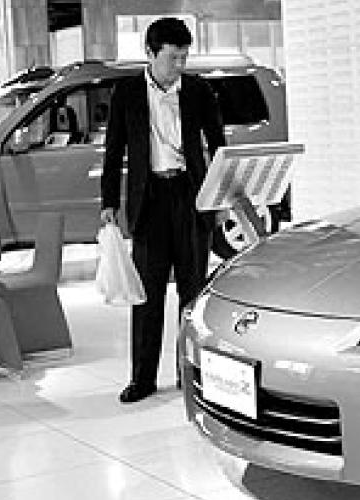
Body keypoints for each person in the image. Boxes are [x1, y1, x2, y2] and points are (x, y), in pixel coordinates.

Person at [100, 17, 226, 403]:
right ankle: (142, 378)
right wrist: (109, 203)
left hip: (191, 196)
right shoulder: (127, 92)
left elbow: (218, 146)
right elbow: (113, 151)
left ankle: (190, 375)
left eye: (184, 57)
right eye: (173, 58)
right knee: (148, 293)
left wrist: (220, 198)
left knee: (192, 293)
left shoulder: (199, 90)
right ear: (151, 53)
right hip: (149, 199)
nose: (180, 65)